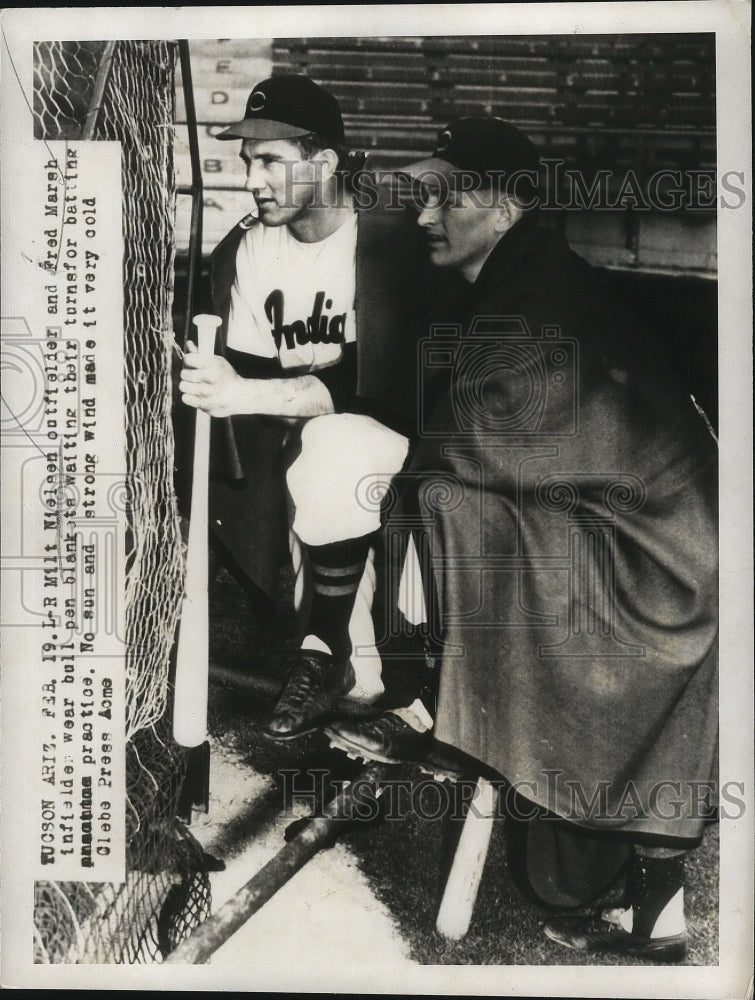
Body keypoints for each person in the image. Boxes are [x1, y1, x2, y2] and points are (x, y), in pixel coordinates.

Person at [325, 117, 719, 961]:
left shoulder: (534, 301)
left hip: (663, 576)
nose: (424, 214)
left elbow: (473, 452)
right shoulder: (529, 280)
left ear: (500, 211)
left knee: (432, 500)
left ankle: (417, 695)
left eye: (442, 196)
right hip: (673, 554)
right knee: (435, 495)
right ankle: (653, 906)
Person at [179, 75, 441, 740]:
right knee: (312, 458)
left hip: (408, 431)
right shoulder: (250, 246)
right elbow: (250, 367)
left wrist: (249, 393)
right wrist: (214, 380)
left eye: (270, 160)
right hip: (305, 439)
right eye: (248, 163)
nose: (253, 181)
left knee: (336, 447)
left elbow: (374, 383)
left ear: (322, 163)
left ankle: (327, 656)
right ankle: (349, 674)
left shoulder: (384, 240)